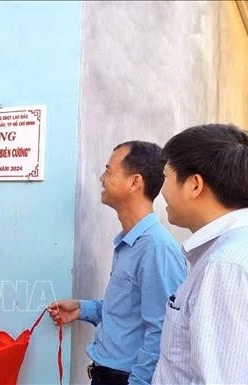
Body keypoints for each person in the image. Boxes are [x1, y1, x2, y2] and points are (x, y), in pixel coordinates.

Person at [48, 141, 186, 385]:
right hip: (106, 375)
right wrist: (82, 309)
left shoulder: (156, 248)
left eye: (109, 170)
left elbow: (163, 330)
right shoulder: (129, 242)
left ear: (135, 182)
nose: (102, 177)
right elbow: (128, 310)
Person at [152, 123, 248, 384]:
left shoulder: (227, 267)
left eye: (167, 177)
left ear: (195, 185)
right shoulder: (245, 251)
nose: (162, 191)